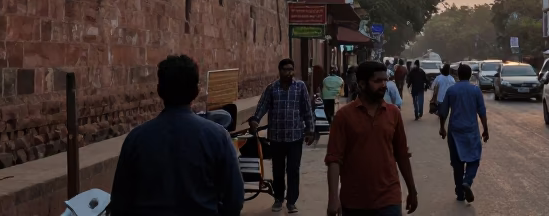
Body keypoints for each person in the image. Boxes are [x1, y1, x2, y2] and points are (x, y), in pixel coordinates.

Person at [111, 55, 243, 216]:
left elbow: (119, 203)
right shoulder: (217, 137)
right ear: (196, 91)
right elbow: (234, 200)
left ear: (159, 90)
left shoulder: (136, 139)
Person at [325, 61, 418, 216]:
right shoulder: (344, 116)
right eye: (377, 81)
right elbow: (334, 159)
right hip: (355, 201)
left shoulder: (393, 113)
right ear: (361, 84)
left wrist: (412, 191)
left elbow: (401, 154)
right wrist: (333, 199)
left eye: (385, 81)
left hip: (389, 198)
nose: (383, 85)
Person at [248, 58, 316, 213]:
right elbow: (262, 106)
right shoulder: (272, 88)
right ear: (279, 71)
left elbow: (307, 109)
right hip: (276, 137)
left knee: (293, 170)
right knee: (278, 170)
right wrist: (255, 120)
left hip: (295, 137)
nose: (289, 72)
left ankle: (291, 201)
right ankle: (278, 198)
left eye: (291, 69)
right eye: (285, 69)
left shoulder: (300, 87)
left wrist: (310, 130)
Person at [438, 63, 488, 203]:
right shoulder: (475, 90)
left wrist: (442, 128)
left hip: (455, 131)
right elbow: (482, 112)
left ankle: (460, 192)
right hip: (471, 131)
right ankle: (467, 181)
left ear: (458, 75)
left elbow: (443, 112)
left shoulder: (451, 90)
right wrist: (485, 129)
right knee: (474, 159)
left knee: (457, 163)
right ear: (470, 75)